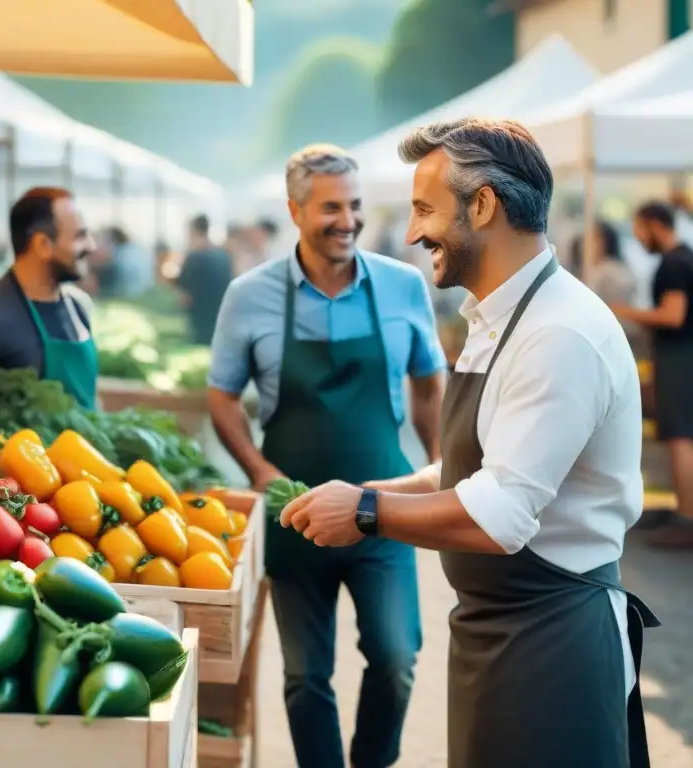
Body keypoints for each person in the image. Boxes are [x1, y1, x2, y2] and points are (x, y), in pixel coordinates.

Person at [278, 119, 658, 768]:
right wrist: (367, 491)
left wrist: (365, 514)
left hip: (554, 641)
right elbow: (467, 469)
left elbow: (500, 512)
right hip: (493, 631)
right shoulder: (494, 317)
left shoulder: (559, 334)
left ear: (482, 205)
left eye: (425, 209)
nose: (410, 232)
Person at [208, 144, 446, 768]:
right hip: (294, 512)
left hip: (384, 506)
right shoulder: (248, 295)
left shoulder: (403, 286)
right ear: (294, 210)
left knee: (396, 658)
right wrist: (260, 473)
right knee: (304, 675)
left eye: (356, 205)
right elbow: (222, 397)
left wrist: (442, 469)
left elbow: (428, 384)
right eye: (331, 207)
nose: (347, 219)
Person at [0, 187, 98, 440]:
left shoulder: (77, 307)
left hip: (86, 469)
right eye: (80, 236)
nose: (92, 246)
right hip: (24, 476)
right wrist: (10, 447)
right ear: (43, 244)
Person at [613, 201, 693, 549]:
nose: (637, 236)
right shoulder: (684, 257)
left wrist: (623, 311)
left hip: (679, 358)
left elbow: (673, 316)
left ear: (653, 225)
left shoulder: (674, 264)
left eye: (639, 228)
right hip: (679, 357)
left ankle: (686, 518)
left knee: (680, 437)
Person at [576, 220, 644, 353]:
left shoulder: (612, 271)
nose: (585, 243)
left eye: (593, 238)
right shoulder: (593, 270)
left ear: (605, 242)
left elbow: (618, 310)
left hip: (611, 340)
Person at [176, 215, 233, 345]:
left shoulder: (193, 257)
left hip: (200, 321)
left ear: (193, 231)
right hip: (222, 318)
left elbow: (184, 298)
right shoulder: (224, 255)